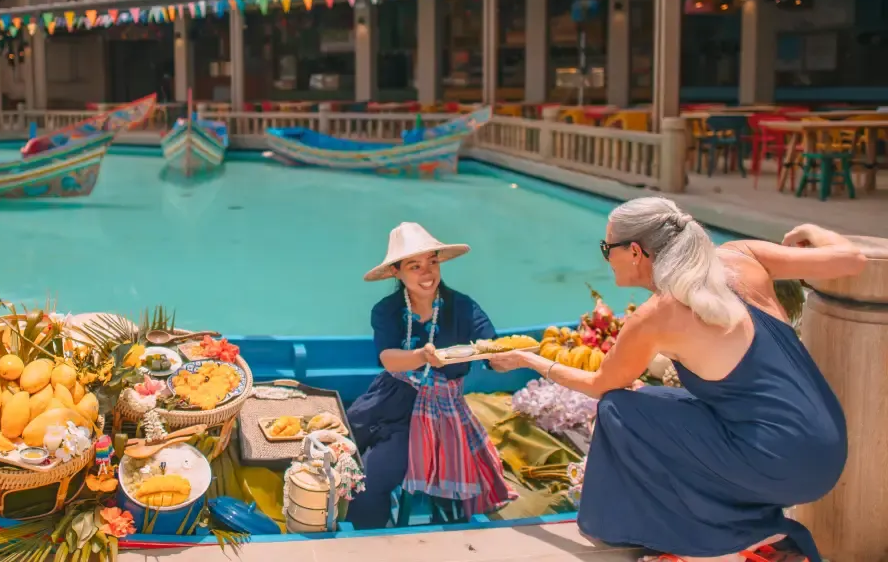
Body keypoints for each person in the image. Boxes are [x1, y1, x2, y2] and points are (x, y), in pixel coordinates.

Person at [488, 197, 866, 562]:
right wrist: (813, 230)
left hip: (779, 466)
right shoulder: (742, 255)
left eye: (607, 248)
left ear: (635, 252)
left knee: (620, 408)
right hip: (828, 454)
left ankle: (713, 543)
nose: (606, 258)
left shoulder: (656, 316)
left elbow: (600, 386)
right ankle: (742, 528)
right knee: (654, 399)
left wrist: (530, 360)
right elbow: (853, 260)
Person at [345, 222, 516, 529]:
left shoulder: (462, 307)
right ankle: (367, 541)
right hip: (389, 399)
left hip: (442, 411)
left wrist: (504, 360)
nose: (427, 274)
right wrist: (421, 356)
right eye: (414, 266)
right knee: (348, 457)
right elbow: (387, 359)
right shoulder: (386, 310)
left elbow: (488, 346)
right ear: (396, 272)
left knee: (375, 474)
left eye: (432, 262)